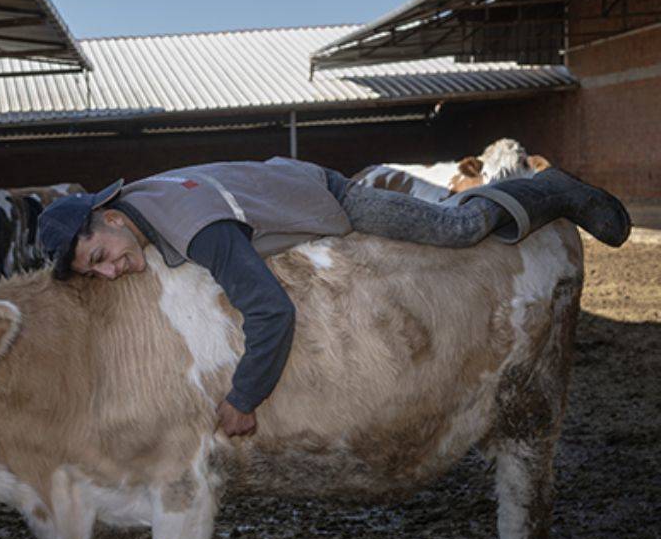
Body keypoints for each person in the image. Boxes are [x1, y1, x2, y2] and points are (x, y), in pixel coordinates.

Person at [37, 157, 631, 438]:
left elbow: (271, 310)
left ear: (109, 218)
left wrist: (244, 399)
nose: (111, 273)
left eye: (99, 258)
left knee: (456, 230)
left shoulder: (198, 230)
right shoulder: (141, 204)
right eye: (96, 274)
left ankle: (549, 189)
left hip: (328, 196)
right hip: (279, 190)